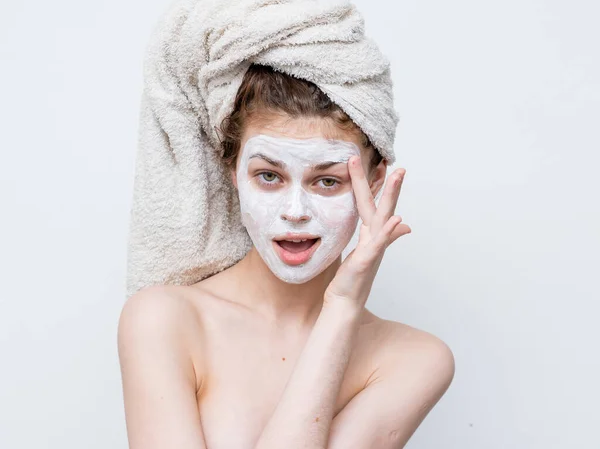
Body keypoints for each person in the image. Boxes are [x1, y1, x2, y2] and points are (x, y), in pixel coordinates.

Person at [118, 63, 455, 449]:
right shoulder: (165, 320)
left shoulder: (413, 359)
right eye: (269, 176)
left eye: (328, 181)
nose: (295, 211)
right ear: (233, 171)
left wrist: (341, 308)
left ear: (375, 180)